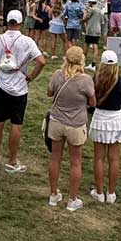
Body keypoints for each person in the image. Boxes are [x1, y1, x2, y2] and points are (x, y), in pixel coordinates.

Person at [0, 10, 45, 172]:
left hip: (0, 85)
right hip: (19, 87)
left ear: (7, 21)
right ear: (20, 22)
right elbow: (41, 61)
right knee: (16, 124)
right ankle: (12, 161)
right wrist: (31, 77)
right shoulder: (27, 41)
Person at [45, 45, 96, 210]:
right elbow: (93, 102)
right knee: (75, 162)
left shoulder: (57, 75)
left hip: (56, 122)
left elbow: (49, 93)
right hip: (76, 125)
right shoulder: (86, 80)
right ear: (82, 60)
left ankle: (53, 194)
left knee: (55, 158)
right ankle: (72, 200)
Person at [89, 49, 121, 203]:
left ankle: (99, 193)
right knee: (114, 159)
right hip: (116, 119)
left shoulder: (95, 79)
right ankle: (111, 193)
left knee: (99, 158)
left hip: (100, 118)